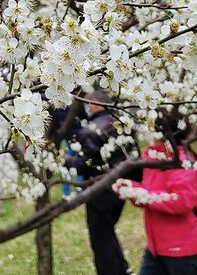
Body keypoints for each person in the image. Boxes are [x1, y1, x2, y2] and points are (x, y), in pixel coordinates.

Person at [112, 112, 197, 275]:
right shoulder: (153, 157)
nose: (145, 129)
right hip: (156, 247)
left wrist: (143, 195)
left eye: (149, 124)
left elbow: (183, 201)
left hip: (181, 248)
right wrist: (132, 188)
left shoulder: (180, 161)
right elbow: (150, 191)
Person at [64, 89, 132, 275]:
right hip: (119, 186)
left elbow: (84, 165)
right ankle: (122, 268)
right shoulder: (121, 123)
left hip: (99, 189)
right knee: (107, 231)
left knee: (100, 238)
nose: (86, 107)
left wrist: (65, 160)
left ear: (95, 104)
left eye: (88, 103)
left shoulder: (90, 131)